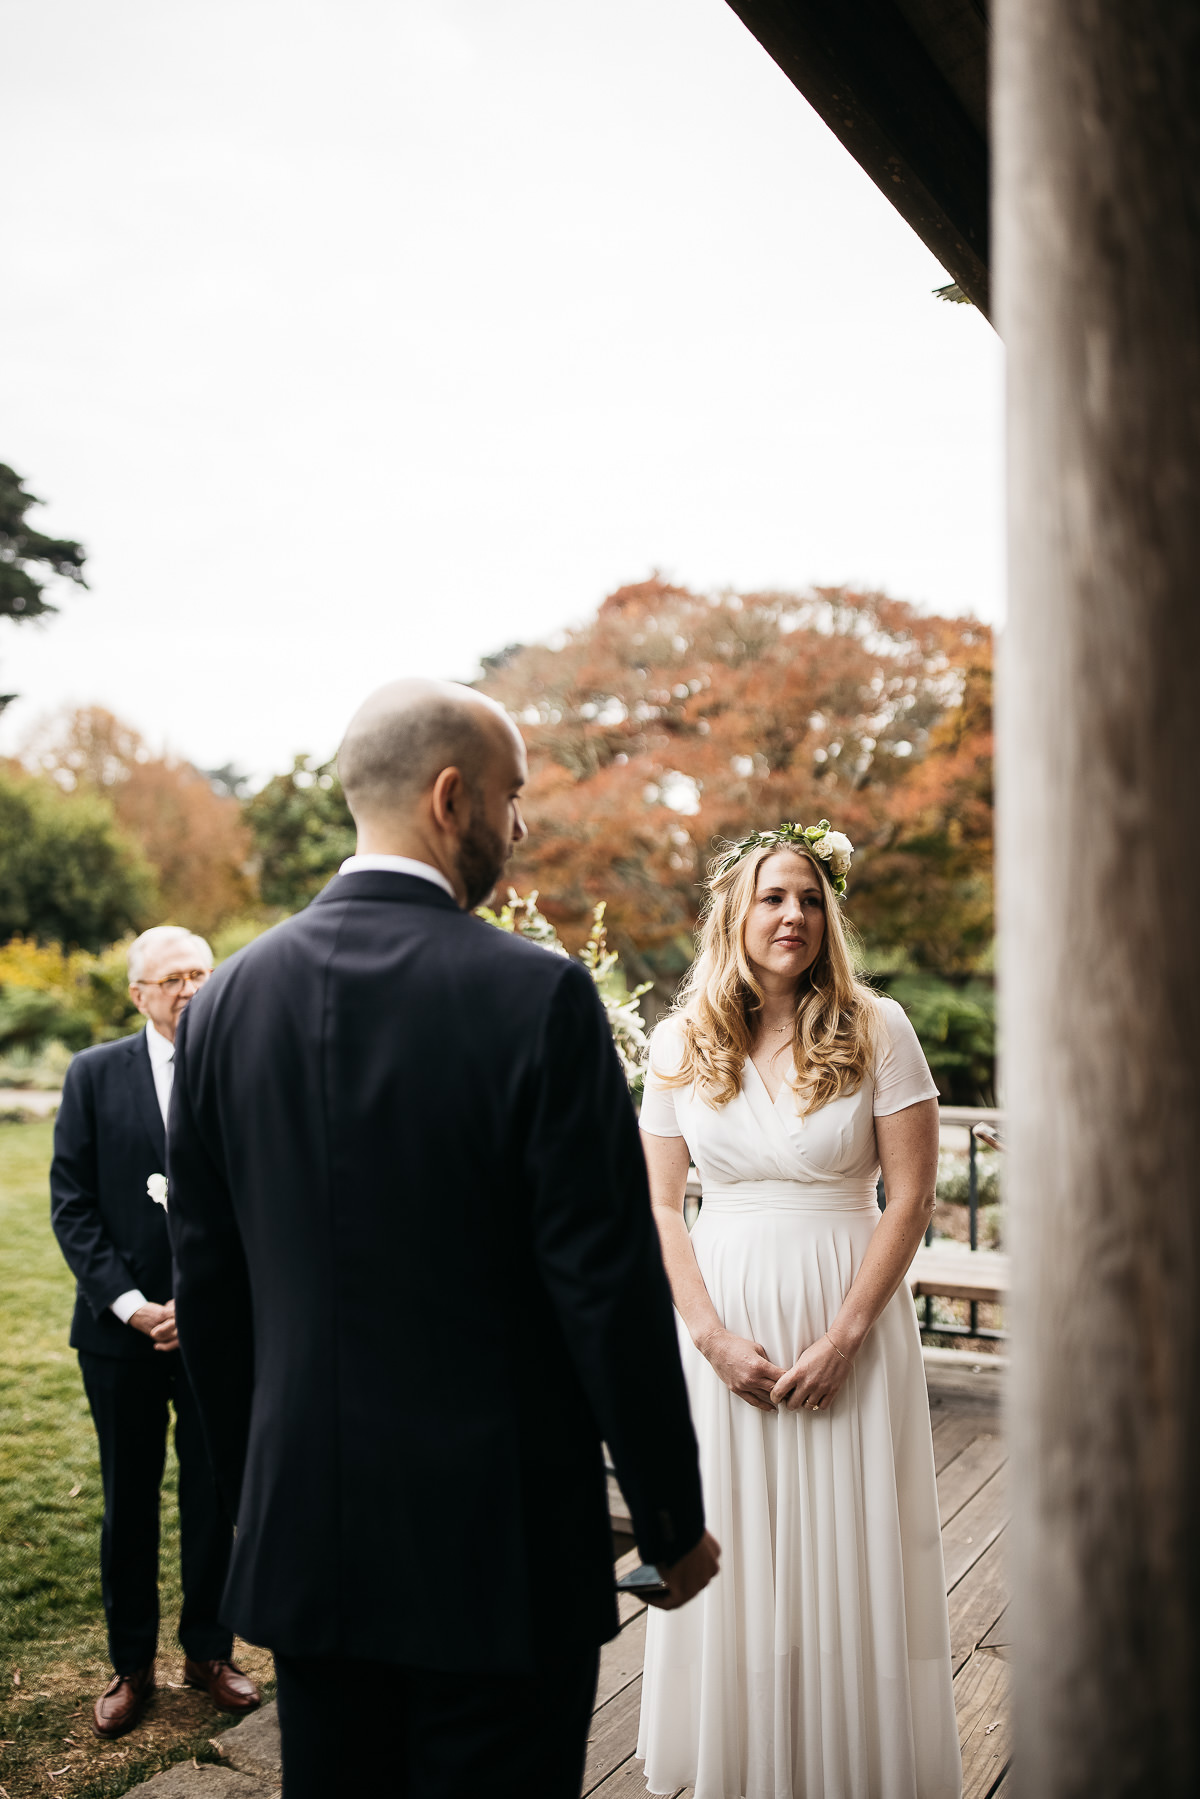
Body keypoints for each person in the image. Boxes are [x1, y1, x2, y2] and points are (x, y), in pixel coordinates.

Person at [166, 678, 719, 1799]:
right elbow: (604, 1286)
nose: (518, 829)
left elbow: (209, 1288)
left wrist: (248, 1492)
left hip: (307, 1544)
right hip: (499, 1557)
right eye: (512, 798)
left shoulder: (226, 1001)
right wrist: (667, 1515)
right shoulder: (540, 998)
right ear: (451, 795)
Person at [636, 824, 962, 1799]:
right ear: (735, 910)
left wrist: (846, 1334)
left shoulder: (877, 1027)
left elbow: (909, 1197)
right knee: (734, 1538)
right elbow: (657, 1201)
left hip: (846, 1315)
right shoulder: (678, 1038)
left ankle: (847, 1760)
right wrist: (711, 1334)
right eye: (776, 897)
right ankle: (741, 1757)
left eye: (813, 899)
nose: (796, 917)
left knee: (848, 1545)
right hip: (726, 1326)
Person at [49, 925, 261, 1740]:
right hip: (120, 1336)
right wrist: (133, 1304)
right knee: (127, 1499)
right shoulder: (95, 1073)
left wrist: (210, 1304)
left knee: (215, 1495)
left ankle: (209, 1650)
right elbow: (72, 1201)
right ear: (138, 993)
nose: (190, 988)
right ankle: (131, 1664)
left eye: (201, 973)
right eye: (172, 977)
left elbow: (260, 1197)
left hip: (218, 1333)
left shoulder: (243, 1067)